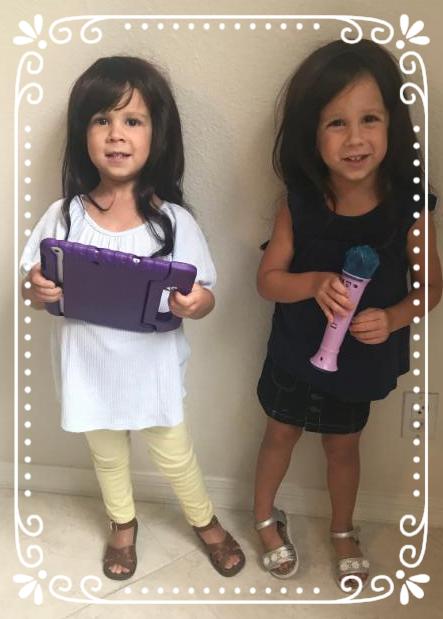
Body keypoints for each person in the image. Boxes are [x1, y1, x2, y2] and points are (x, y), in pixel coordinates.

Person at [20, 56, 245, 581]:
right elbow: (34, 286)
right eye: (102, 119)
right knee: (107, 455)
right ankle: (122, 523)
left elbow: (206, 294)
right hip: (88, 365)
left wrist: (196, 303)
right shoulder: (64, 215)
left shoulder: (174, 221)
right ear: (83, 133)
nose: (116, 134)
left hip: (150, 367)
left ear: (156, 134)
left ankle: (205, 520)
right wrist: (37, 288)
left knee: (175, 452)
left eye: (132, 120)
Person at [253, 39, 442, 588]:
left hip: (360, 359)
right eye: (336, 123)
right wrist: (313, 283)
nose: (355, 138)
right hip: (296, 349)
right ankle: (264, 516)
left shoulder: (410, 206)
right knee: (279, 434)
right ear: (311, 134)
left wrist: (395, 317)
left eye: (369, 119)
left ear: (393, 125)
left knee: (343, 447)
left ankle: (342, 530)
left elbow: (430, 287)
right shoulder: (298, 202)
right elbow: (267, 281)